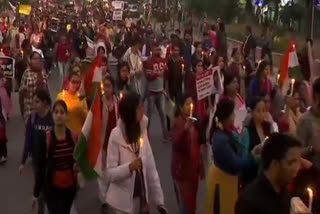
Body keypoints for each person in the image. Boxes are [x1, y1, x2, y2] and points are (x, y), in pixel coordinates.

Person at [105, 92, 166, 214]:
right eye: (139, 107)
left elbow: (151, 169)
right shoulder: (116, 135)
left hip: (142, 199)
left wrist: (159, 201)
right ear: (130, 111)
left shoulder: (142, 131)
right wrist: (129, 168)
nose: (143, 110)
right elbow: (110, 173)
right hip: (122, 205)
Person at [205, 98, 261, 214]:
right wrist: (252, 158)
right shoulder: (221, 139)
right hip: (222, 183)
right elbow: (235, 164)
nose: (235, 116)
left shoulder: (225, 132)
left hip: (228, 182)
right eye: (233, 113)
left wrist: (252, 153)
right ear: (227, 115)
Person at [235, 133, 303, 214]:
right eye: (291, 162)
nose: (297, 168)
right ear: (274, 164)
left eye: (298, 162)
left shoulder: (285, 193)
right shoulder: (250, 200)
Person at [19, 89, 53, 214]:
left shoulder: (52, 118)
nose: (34, 104)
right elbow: (28, 140)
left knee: (48, 187)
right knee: (40, 184)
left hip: (50, 161)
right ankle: (41, 209)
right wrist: (23, 161)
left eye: (37, 102)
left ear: (44, 103)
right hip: (37, 160)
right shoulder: (32, 118)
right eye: (33, 101)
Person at [171, 94, 205, 214]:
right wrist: (185, 130)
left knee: (192, 205)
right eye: (187, 104)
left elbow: (198, 145)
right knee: (185, 206)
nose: (190, 106)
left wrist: (201, 166)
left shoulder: (195, 122)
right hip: (182, 173)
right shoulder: (178, 123)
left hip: (193, 172)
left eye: (191, 103)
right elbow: (176, 144)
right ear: (180, 107)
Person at [44, 100, 78, 214]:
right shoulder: (48, 137)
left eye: (62, 112)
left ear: (67, 116)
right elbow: (41, 164)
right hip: (53, 189)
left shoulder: (73, 136)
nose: (59, 115)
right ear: (52, 115)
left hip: (69, 188)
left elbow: (78, 158)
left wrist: (78, 166)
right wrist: (37, 192)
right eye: (56, 112)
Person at [99, 75, 119, 214]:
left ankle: (112, 196)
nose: (107, 89)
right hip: (102, 141)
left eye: (109, 86)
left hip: (114, 141)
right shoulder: (99, 103)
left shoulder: (117, 100)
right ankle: (103, 200)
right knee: (102, 171)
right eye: (105, 86)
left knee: (113, 168)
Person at [145, 43, 168, 141]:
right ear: (152, 51)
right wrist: (156, 74)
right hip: (151, 92)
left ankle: (165, 135)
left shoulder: (163, 61)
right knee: (149, 115)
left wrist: (166, 71)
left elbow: (166, 74)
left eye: (159, 50)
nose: (158, 52)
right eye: (156, 50)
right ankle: (146, 135)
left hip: (160, 91)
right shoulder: (148, 62)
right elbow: (148, 77)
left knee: (163, 114)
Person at [297, 77, 320, 169]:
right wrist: (312, 150)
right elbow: (296, 153)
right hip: (313, 176)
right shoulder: (305, 120)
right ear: (317, 96)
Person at [19, 51, 48, 124]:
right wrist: (22, 108)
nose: (37, 61)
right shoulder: (26, 73)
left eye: (38, 58)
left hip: (42, 109)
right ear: (30, 60)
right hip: (29, 108)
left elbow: (46, 89)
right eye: (34, 59)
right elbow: (21, 92)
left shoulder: (43, 72)